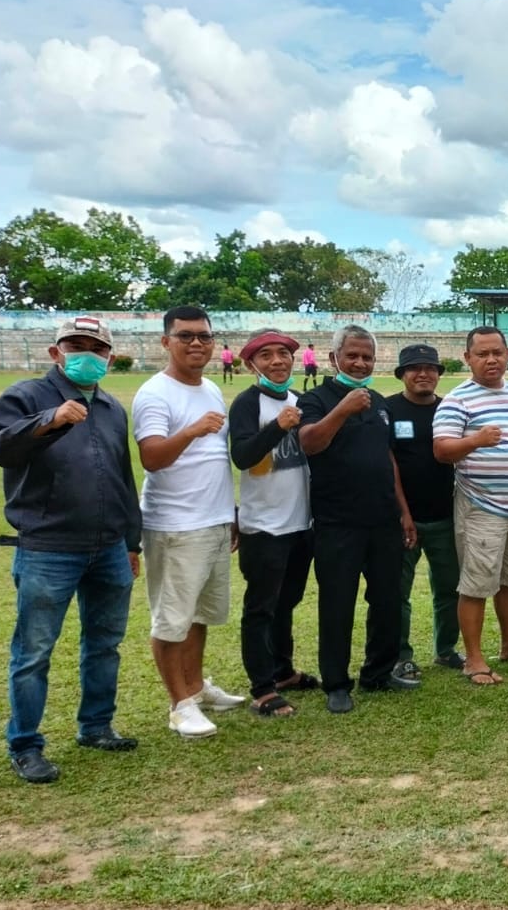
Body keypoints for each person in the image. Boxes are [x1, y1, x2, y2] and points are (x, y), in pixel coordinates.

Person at [0, 316, 143, 784]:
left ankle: (96, 725)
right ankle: (25, 744)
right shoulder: (27, 397)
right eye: (75, 344)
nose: (86, 354)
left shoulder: (112, 408)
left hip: (109, 546)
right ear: (56, 352)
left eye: (96, 347)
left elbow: (122, 478)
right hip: (49, 547)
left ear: (109, 357)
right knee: (34, 650)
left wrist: (131, 541)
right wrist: (49, 420)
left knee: (105, 643)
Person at [132, 305, 245, 740]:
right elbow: (152, 457)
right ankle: (179, 705)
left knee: (200, 613)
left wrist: (228, 512)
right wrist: (193, 430)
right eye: (185, 336)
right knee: (172, 618)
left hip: (213, 520)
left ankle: (197, 688)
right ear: (166, 342)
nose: (196, 343)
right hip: (175, 525)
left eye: (203, 336)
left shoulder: (212, 389)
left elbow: (213, 460)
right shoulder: (154, 394)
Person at [298, 325, 419, 714]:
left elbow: (388, 460)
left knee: (385, 600)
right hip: (338, 522)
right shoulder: (315, 399)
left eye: (367, 356)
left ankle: (378, 673)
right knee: (338, 603)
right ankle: (336, 683)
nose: (360, 362)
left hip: (383, 519)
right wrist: (344, 409)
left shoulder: (381, 404)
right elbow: (310, 442)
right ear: (334, 358)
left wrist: (403, 511)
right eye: (352, 355)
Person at [433, 328, 508, 685]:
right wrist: (476, 440)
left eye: (497, 353)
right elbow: (441, 451)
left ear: (507, 354)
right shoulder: (458, 400)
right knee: (476, 584)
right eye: (482, 354)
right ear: (468, 358)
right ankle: (473, 658)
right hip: (482, 506)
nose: (491, 360)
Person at [229, 328, 317, 720]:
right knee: (261, 607)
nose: (277, 361)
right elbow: (244, 456)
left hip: (300, 523)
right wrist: (279, 426)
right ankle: (262, 688)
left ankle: (282, 671)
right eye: (266, 356)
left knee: (288, 601)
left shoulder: (299, 400)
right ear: (251, 364)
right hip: (263, 526)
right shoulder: (248, 403)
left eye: (283, 354)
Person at [385, 344, 465, 681]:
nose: (423, 374)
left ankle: (446, 650)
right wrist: (403, 512)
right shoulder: (387, 410)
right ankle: (401, 656)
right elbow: (388, 467)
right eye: (414, 368)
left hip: (445, 517)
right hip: (403, 519)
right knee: (397, 592)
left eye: (430, 368)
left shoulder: (450, 410)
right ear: (402, 374)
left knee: (449, 588)